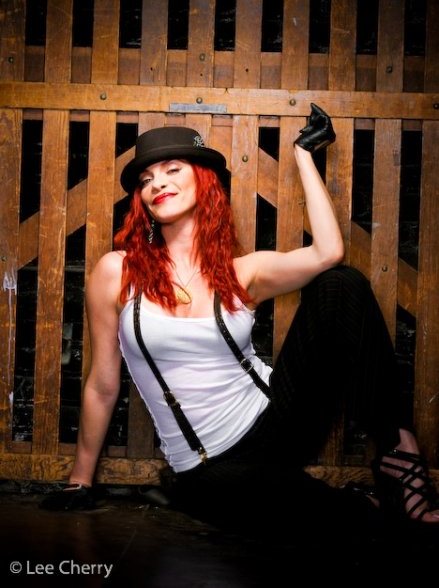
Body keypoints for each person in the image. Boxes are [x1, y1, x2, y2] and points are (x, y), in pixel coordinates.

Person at [41, 105, 439, 540]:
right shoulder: (117, 272)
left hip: (276, 421)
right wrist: (80, 480)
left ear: (203, 181)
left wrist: (304, 154)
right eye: (146, 180)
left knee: (341, 283)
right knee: (324, 520)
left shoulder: (241, 272)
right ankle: (361, 504)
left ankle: (400, 456)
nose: (158, 184)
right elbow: (103, 384)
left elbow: (328, 253)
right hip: (206, 462)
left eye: (173, 170)